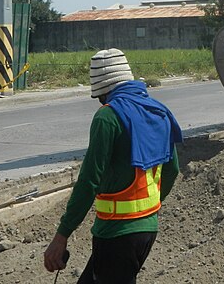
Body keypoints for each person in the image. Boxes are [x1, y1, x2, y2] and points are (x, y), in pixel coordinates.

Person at [44, 48, 182, 283]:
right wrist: (148, 212)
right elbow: (172, 170)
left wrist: (62, 235)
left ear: (102, 90)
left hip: (116, 234)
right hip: (147, 229)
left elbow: (88, 181)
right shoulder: (157, 111)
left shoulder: (107, 117)